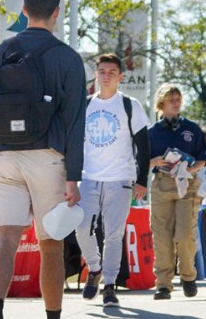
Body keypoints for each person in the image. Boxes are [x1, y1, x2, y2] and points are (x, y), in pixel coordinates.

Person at [0, 0, 87, 319]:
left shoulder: (2, 51)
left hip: (4, 155)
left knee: (6, 239)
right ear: (57, 12)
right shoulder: (67, 58)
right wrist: (74, 176)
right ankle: (52, 316)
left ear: (24, 11)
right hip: (47, 157)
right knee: (50, 244)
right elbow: (74, 122)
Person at [74, 52, 149, 308]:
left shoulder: (130, 105)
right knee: (82, 227)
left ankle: (109, 285)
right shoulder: (84, 105)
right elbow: (72, 144)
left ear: (120, 77)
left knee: (114, 235)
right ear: (95, 74)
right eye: (102, 71)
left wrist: (142, 180)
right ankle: (94, 268)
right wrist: (70, 178)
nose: (106, 76)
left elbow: (144, 146)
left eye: (111, 72)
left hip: (120, 178)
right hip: (88, 176)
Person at [147, 84, 206, 300]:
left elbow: (203, 158)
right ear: (161, 103)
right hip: (162, 184)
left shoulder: (192, 128)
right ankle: (163, 284)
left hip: (186, 184)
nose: (175, 102)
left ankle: (188, 275)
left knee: (184, 234)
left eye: (178, 98)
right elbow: (140, 162)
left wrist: (193, 167)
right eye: (171, 99)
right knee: (161, 236)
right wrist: (153, 161)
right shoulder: (152, 132)